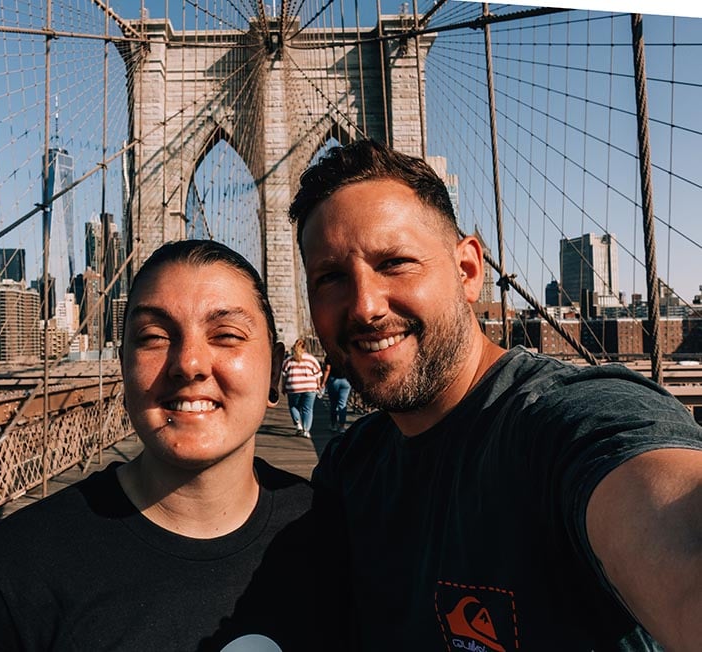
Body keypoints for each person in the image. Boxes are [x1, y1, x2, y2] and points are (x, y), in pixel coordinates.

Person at [289, 139, 702, 650]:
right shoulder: (350, 465)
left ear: (468, 271)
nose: (366, 306)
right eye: (330, 278)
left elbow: (670, 521)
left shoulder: (566, 423)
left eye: (395, 263)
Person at [0, 240, 315, 651]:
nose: (188, 363)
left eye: (225, 335)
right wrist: (1, 590)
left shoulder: (341, 538)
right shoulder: (16, 568)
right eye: (153, 337)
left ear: (276, 369)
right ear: (123, 366)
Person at [280, 338, 323, 439]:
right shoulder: (311, 359)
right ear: (305, 347)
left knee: (293, 406)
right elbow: (318, 374)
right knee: (307, 409)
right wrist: (318, 386)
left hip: (293, 387)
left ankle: (298, 425)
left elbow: (284, 375)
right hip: (310, 387)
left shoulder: (289, 360)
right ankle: (306, 430)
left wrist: (283, 387)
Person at [320, 356, 351, 433]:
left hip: (334, 380)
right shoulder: (346, 354)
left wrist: (323, 382)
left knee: (333, 404)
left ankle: (333, 425)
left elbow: (327, 369)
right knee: (342, 404)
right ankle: (342, 426)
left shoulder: (330, 356)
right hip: (346, 381)